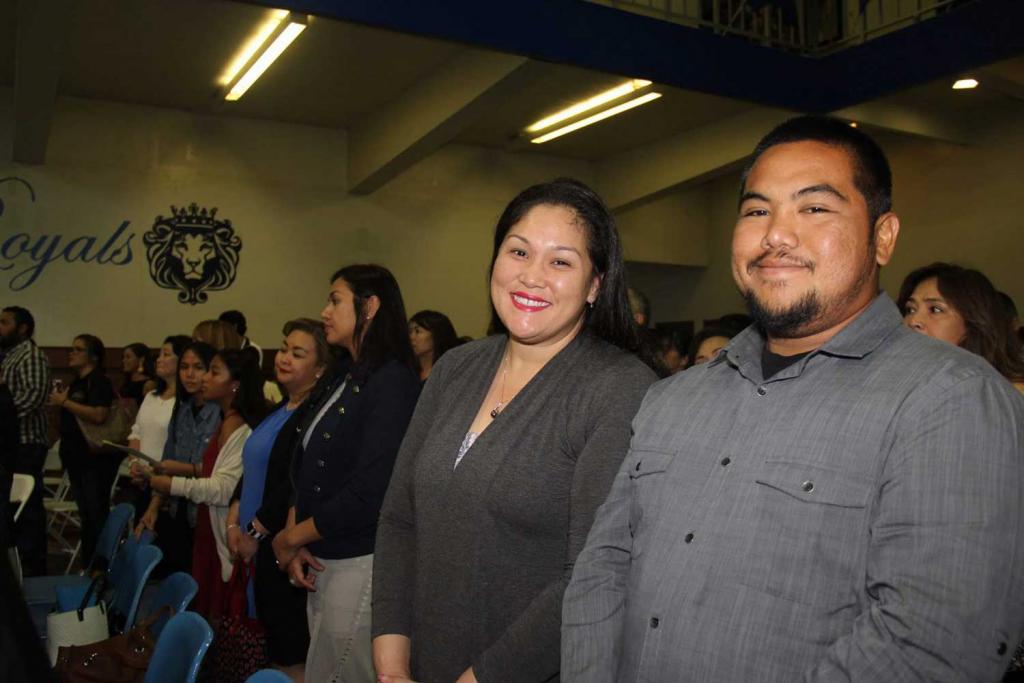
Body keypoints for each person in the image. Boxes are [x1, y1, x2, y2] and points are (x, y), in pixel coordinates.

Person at [562, 116, 1024, 681]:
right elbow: (601, 571)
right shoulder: (673, 398)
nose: (775, 234)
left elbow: (929, 644)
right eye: (757, 210)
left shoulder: (950, 402)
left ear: (883, 236)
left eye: (814, 208)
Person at [373, 178, 657, 683]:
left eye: (561, 261)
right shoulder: (456, 368)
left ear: (595, 285)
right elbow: (400, 519)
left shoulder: (617, 388)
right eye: (519, 251)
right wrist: (392, 664)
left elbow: (591, 574)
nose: (532, 277)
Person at [271, 264, 420, 682]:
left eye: (335, 300)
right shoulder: (346, 373)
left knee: (339, 672)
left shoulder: (393, 382)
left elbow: (371, 491)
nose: (324, 311)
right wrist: (295, 531)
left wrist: (291, 538)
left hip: (360, 560)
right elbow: (305, 460)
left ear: (369, 306)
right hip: (321, 553)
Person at [226, 318, 332, 682]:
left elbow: (291, 486)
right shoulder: (279, 409)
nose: (284, 357)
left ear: (320, 369)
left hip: (278, 547)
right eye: (284, 348)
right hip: (251, 542)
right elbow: (250, 470)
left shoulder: (312, 417)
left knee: (287, 656)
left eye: (298, 354)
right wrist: (232, 521)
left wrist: (254, 534)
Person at [146, 349, 265, 618]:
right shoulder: (226, 421)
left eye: (214, 372)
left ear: (234, 383)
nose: (204, 379)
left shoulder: (241, 429)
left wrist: (170, 484)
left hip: (223, 531)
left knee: (221, 613)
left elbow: (222, 490)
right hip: (207, 528)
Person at [134, 341, 219, 576]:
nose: (190, 374)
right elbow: (167, 458)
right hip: (177, 506)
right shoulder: (182, 408)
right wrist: (153, 506)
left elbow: (221, 471)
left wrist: (182, 468)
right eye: (184, 367)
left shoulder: (220, 412)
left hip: (207, 508)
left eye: (198, 367)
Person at [899, 263, 1024, 392]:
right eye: (910, 310)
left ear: (972, 325)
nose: (913, 321)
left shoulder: (1008, 395)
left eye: (935, 309)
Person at [49, 334, 118, 566]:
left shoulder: (99, 381)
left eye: (78, 349)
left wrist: (66, 403)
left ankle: (100, 566)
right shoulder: (75, 382)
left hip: (95, 459)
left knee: (96, 514)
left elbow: (99, 415)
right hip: (75, 455)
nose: (72, 353)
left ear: (94, 357)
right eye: (72, 348)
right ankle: (88, 563)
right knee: (86, 515)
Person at [0, 306, 50, 576]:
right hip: (11, 443)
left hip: (26, 442)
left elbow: (32, 396)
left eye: (5, 322)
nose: (0, 326)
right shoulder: (9, 356)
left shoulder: (30, 355)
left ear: (23, 328)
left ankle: (33, 568)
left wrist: (3, 414)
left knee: (27, 509)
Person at [122, 335, 191, 517]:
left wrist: (152, 471)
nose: (159, 359)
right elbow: (136, 433)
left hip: (167, 480)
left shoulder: (186, 402)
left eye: (166, 354)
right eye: (159, 354)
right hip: (140, 478)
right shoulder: (151, 395)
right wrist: (135, 463)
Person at [408, 310, 459, 381]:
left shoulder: (450, 373)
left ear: (436, 335)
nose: (411, 337)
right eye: (410, 332)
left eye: (417, 331)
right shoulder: (406, 371)